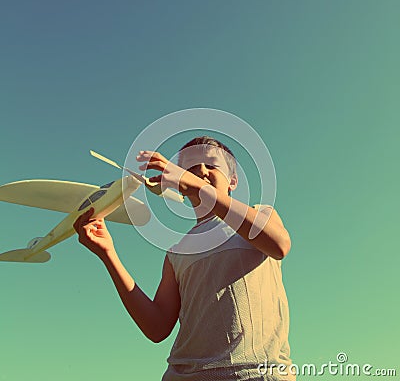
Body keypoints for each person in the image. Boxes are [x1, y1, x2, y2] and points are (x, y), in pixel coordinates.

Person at [74, 136, 295, 380]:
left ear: (233, 180)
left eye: (211, 165)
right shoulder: (177, 252)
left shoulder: (261, 213)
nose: (200, 170)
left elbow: (279, 245)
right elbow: (157, 327)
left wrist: (198, 186)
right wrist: (108, 254)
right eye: (190, 167)